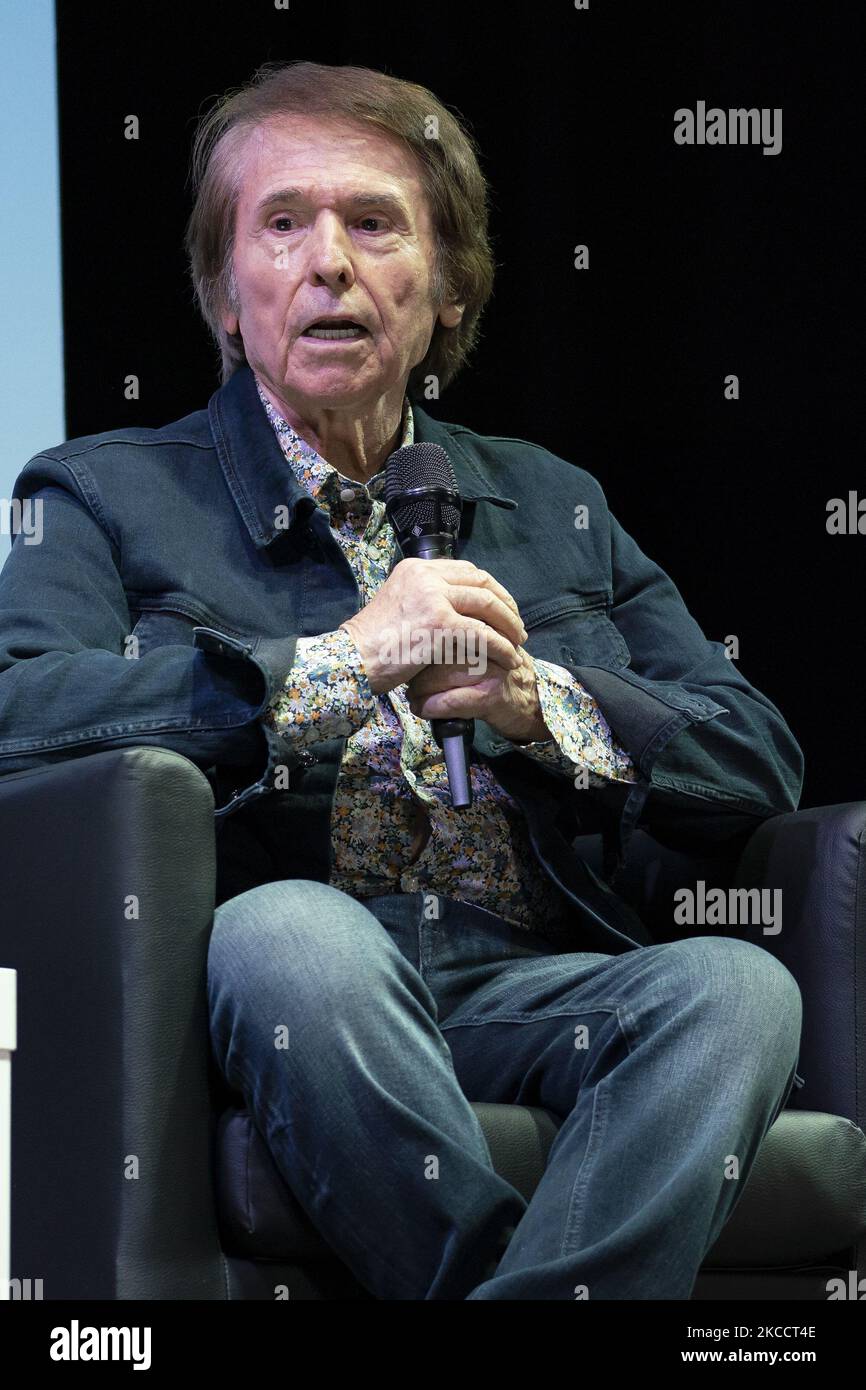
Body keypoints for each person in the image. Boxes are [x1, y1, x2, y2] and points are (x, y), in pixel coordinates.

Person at [0, 60, 804, 1300]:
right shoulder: (100, 494)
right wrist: (329, 667)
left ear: (445, 289)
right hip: (280, 985)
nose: (328, 263)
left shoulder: (556, 504)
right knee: (294, 935)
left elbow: (751, 755)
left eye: (372, 223)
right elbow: (18, 712)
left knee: (734, 984)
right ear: (226, 292)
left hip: (524, 979)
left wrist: (536, 704)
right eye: (281, 225)